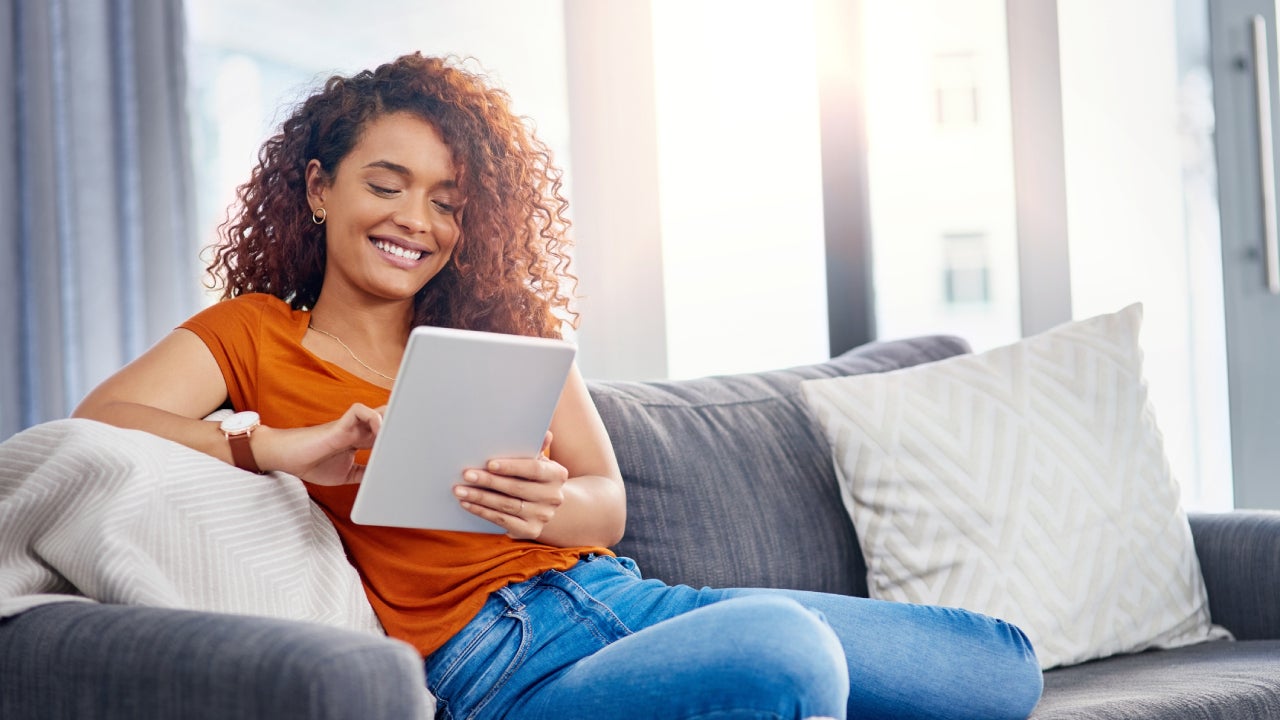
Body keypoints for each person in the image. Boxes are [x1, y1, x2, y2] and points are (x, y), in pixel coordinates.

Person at [74, 52, 1042, 719]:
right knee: (789, 655)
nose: (415, 219)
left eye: (445, 201)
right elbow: (100, 423)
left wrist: (543, 509)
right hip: (492, 667)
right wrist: (275, 446)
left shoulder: (499, 331)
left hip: (624, 607)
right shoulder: (254, 333)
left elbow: (606, 503)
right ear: (319, 188)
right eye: (385, 183)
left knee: (1001, 669)